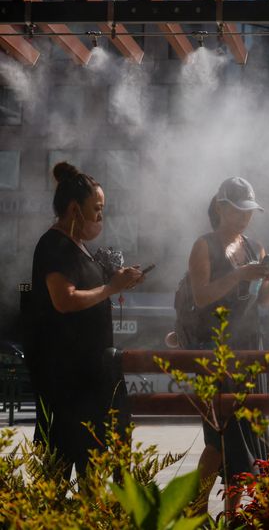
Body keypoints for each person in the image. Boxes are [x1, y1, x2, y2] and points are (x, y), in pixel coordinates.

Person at [26, 161, 144, 479]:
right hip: (65, 380)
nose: (101, 217)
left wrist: (118, 280)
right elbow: (64, 300)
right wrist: (111, 287)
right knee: (59, 474)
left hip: (88, 379)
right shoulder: (55, 245)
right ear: (75, 209)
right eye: (97, 209)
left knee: (91, 473)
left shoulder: (79, 247)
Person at [188, 176, 269, 511]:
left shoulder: (255, 248)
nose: (246, 217)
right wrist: (238, 276)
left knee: (249, 435)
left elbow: (263, 304)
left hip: (249, 347)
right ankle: (197, 510)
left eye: (250, 210)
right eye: (240, 210)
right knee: (220, 436)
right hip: (215, 348)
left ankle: (232, 515)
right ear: (221, 207)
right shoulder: (205, 245)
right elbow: (201, 297)